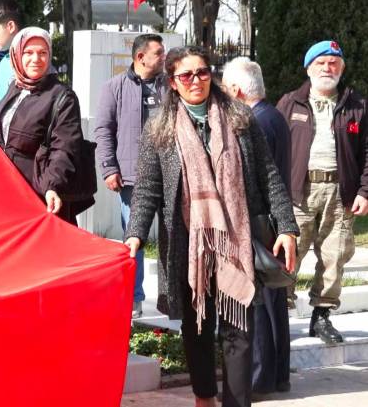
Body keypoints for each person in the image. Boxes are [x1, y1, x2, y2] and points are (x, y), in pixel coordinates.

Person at [124, 46, 298, 407]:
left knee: (239, 330)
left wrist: (287, 226)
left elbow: (269, 176)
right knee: (197, 327)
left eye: (202, 72)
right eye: (186, 76)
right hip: (189, 244)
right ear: (172, 83)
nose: (196, 81)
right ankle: (204, 396)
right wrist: (135, 235)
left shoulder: (239, 119)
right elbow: (147, 192)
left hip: (237, 239)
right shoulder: (159, 130)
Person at [276, 40, 368, 344]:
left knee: (335, 255)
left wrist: (364, 192)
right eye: (321, 63)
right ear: (309, 67)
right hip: (298, 191)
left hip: (341, 192)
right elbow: (272, 148)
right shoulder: (290, 103)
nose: (327, 68)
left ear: (341, 68)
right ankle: (280, 312)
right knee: (290, 253)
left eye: (333, 63)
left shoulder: (357, 106)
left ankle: (322, 315)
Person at [221, 57, 292, 395]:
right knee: (273, 299)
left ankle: (260, 377)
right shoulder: (273, 115)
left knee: (259, 300)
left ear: (236, 89)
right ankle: (277, 374)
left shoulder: (254, 122)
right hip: (272, 221)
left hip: (259, 220)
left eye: (224, 88)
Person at [94, 33, 167, 320]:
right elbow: (103, 130)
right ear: (141, 57)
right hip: (133, 178)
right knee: (133, 239)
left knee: (173, 236)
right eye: (159, 53)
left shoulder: (170, 87)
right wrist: (109, 168)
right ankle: (134, 297)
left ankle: (172, 294)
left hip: (171, 175)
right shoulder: (114, 87)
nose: (164, 57)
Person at [0, 27, 83, 222]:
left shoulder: (62, 96)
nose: (36, 59)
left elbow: (64, 148)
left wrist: (52, 186)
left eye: (42, 53)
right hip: (5, 191)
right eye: (28, 53)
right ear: (17, 55)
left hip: (38, 194)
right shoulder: (15, 87)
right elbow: (3, 128)